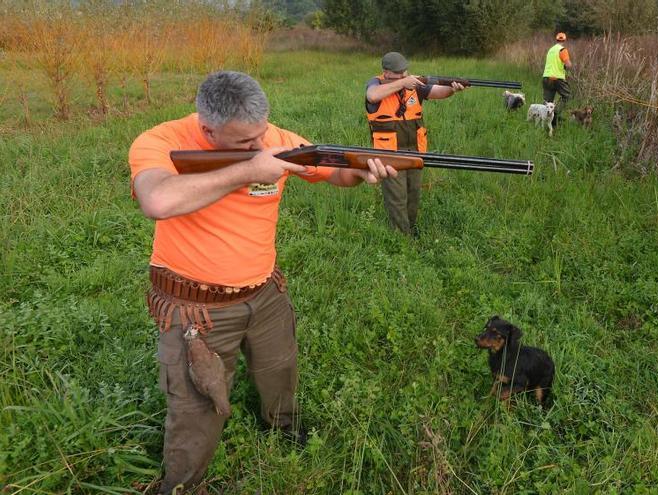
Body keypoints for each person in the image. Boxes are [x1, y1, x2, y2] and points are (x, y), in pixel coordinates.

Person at [128, 70, 397, 493]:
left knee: (279, 370)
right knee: (197, 406)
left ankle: (285, 431)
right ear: (207, 129)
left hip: (266, 293)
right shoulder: (160, 141)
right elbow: (157, 199)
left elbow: (336, 173)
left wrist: (363, 171)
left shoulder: (276, 138)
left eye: (261, 135)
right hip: (198, 307)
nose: (260, 145)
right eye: (245, 143)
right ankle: (182, 483)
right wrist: (249, 169)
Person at [364, 51, 466, 236]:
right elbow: (372, 96)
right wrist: (402, 83)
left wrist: (452, 88)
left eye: (405, 72)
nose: (404, 75)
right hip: (390, 152)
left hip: (415, 150)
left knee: (413, 192)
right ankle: (401, 238)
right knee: (397, 196)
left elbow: (437, 92)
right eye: (399, 74)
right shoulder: (376, 83)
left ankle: (410, 228)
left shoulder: (414, 85)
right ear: (386, 73)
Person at [542, 32, 573, 127]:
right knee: (567, 96)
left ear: (556, 40)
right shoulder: (562, 50)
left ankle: (544, 121)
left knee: (547, 101)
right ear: (564, 40)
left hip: (546, 78)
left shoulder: (550, 50)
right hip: (557, 78)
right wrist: (565, 66)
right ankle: (555, 114)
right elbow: (568, 65)